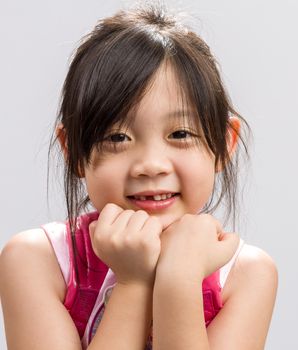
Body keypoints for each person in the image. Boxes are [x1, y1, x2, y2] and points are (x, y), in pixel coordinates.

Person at [0, 3, 278, 349]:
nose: (151, 164)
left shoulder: (244, 273)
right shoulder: (38, 260)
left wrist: (179, 279)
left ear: (224, 144)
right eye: (117, 137)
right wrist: (132, 282)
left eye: (180, 134)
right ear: (72, 151)